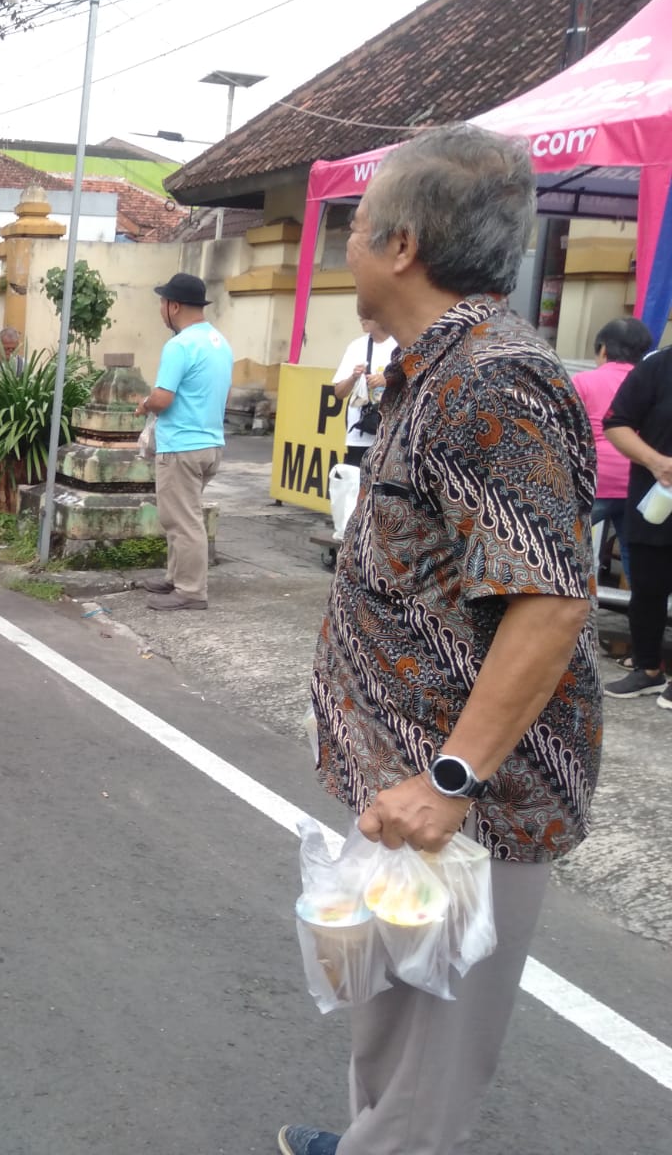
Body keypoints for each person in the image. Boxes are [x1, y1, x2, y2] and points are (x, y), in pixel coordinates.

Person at [285, 125, 602, 1155]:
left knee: (434, 1044)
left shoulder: (491, 384)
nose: (346, 246)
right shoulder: (432, 366)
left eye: (356, 226)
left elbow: (550, 602)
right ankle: (372, 1134)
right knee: (388, 999)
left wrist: (452, 778)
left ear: (401, 244)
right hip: (408, 781)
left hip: (466, 802)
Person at [139, 272, 232, 611]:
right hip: (210, 443)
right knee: (182, 515)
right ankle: (175, 577)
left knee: (183, 520)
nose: (161, 310)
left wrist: (144, 404)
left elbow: (163, 399)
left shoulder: (179, 345)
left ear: (174, 306)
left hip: (181, 445)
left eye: (163, 303)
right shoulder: (219, 343)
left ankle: (191, 591)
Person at [602, 332, 672, 707]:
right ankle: (647, 669)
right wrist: (656, 461)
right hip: (656, 499)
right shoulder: (658, 367)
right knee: (647, 588)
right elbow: (616, 423)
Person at [576, 316, 653, 588]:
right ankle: (641, 612)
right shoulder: (650, 382)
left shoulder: (583, 381)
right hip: (639, 481)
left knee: (565, 546)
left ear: (604, 349)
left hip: (595, 480)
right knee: (635, 557)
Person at [329, 317, 395, 466]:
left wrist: (386, 380)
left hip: (391, 434)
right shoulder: (356, 346)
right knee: (355, 484)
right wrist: (353, 377)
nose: (361, 319)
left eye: (367, 314)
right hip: (360, 434)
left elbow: (415, 383)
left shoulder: (400, 345)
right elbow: (339, 393)